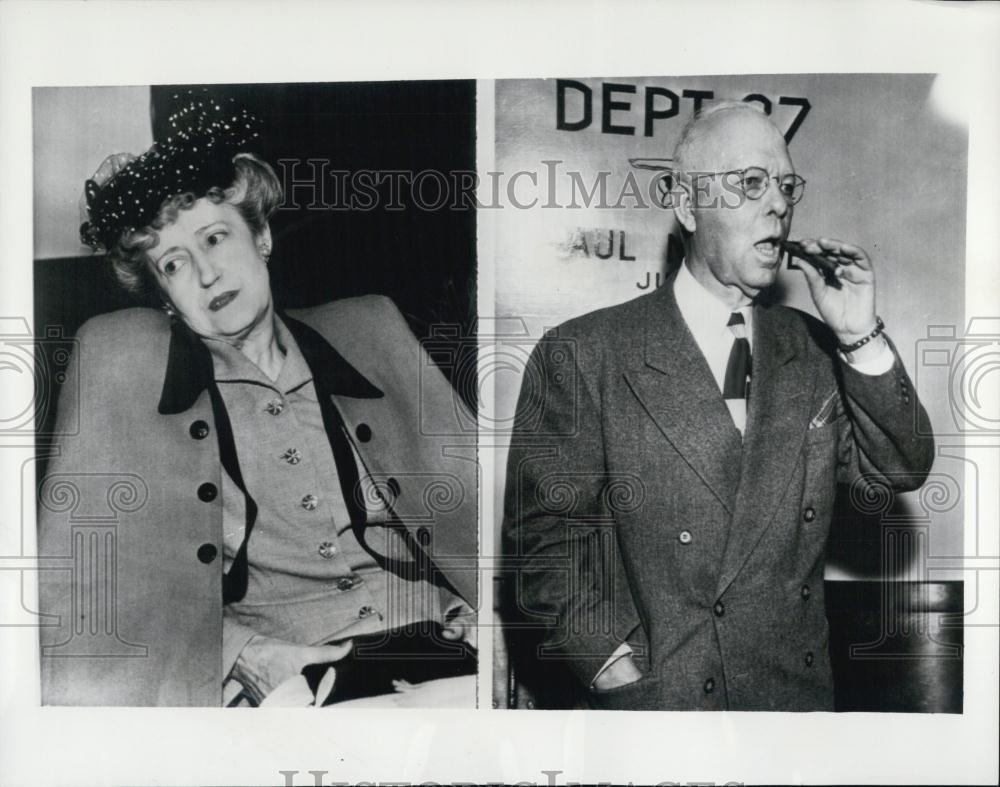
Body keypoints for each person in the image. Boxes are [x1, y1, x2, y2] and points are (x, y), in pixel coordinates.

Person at [38, 94, 477, 707]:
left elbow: (488, 510)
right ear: (164, 298)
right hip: (291, 679)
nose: (207, 274)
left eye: (215, 238)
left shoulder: (371, 329)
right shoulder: (131, 381)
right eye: (174, 264)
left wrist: (483, 612)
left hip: (446, 654)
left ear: (262, 235)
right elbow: (84, 593)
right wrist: (242, 656)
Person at [501, 100, 934, 711]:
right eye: (751, 183)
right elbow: (544, 546)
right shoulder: (585, 352)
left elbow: (900, 470)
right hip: (661, 709)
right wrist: (612, 670)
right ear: (687, 206)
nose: (778, 204)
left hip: (790, 709)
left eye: (786, 186)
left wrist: (859, 334)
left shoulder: (814, 349)